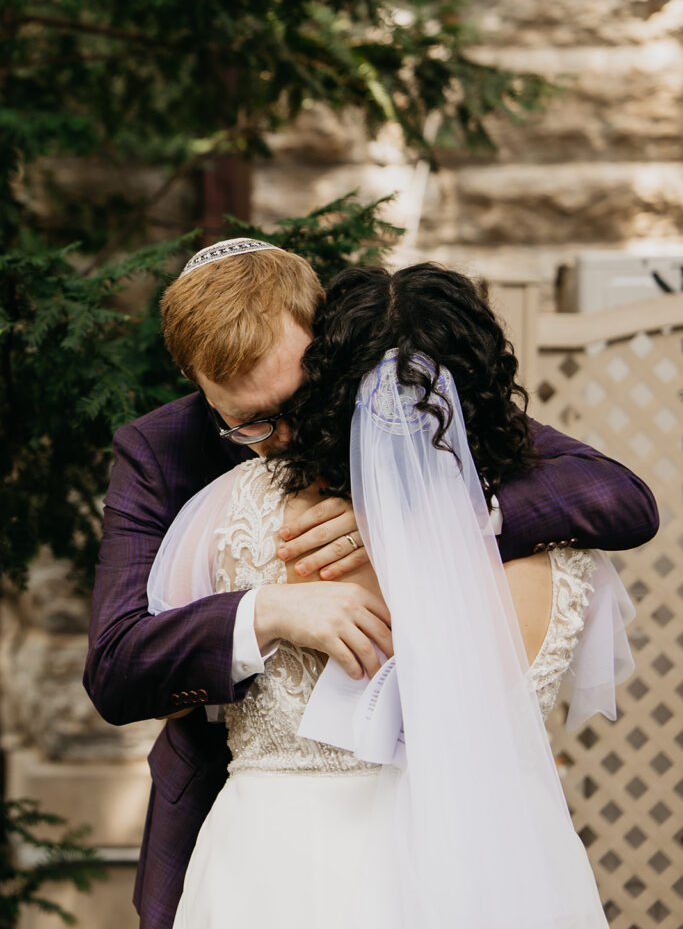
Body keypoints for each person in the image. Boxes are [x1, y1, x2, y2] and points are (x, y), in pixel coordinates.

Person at [84, 241, 658, 929]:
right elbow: (116, 667)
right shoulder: (160, 450)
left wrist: (418, 518)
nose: (280, 441)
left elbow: (619, 497)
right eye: (243, 424)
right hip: (259, 835)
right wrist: (262, 611)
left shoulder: (413, 413)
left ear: (325, 345)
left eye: (294, 404)